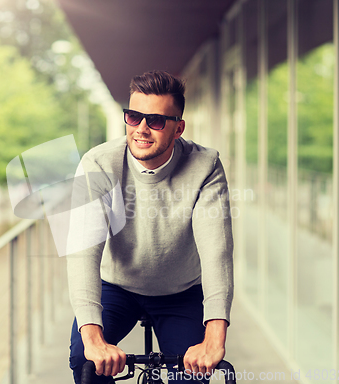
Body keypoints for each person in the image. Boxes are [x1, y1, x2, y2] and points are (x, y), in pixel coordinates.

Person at [66, 70, 234, 383]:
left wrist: (215, 334)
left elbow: (217, 252)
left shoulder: (205, 165)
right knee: (84, 360)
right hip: (115, 287)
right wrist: (93, 339)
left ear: (178, 128)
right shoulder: (99, 163)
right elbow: (82, 252)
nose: (141, 129)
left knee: (193, 376)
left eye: (156, 120)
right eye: (133, 117)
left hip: (181, 290)